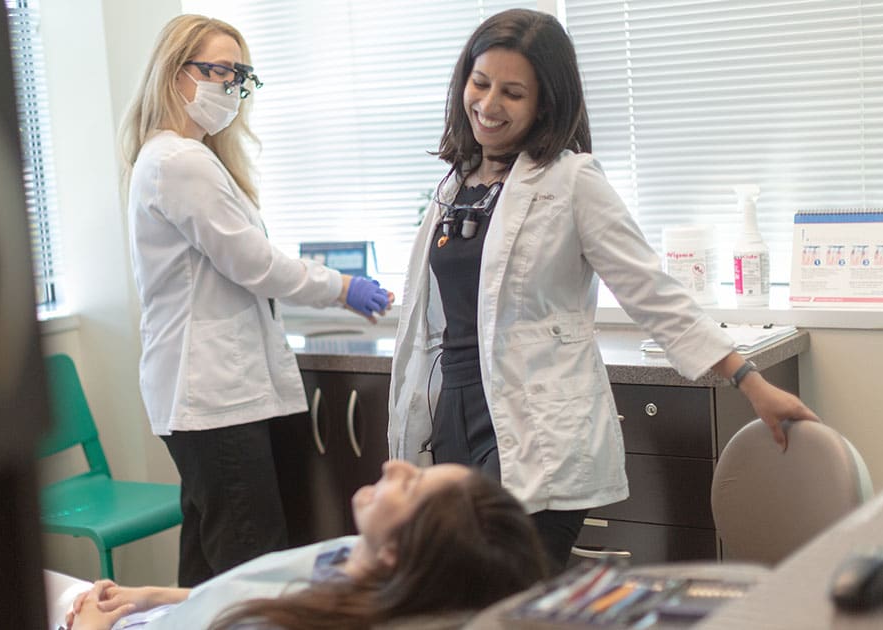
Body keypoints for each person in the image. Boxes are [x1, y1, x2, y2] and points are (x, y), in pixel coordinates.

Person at [388, 8, 820, 573]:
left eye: (513, 92)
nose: (489, 105)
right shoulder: (456, 183)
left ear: (546, 102)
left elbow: (652, 291)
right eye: (480, 82)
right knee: (466, 596)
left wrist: (750, 381)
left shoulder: (572, 181)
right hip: (455, 415)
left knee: (511, 596)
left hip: (532, 423)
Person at [117, 14, 392, 588]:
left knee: (206, 571)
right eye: (216, 70)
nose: (229, 87)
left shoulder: (179, 157)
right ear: (174, 73)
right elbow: (255, 263)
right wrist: (343, 287)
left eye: (239, 75)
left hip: (202, 396)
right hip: (212, 396)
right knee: (253, 573)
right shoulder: (179, 161)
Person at [61, 461, 550, 630]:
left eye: (412, 484)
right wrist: (154, 595)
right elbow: (255, 588)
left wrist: (88, 625)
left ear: (395, 556)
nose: (396, 465)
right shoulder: (352, 559)